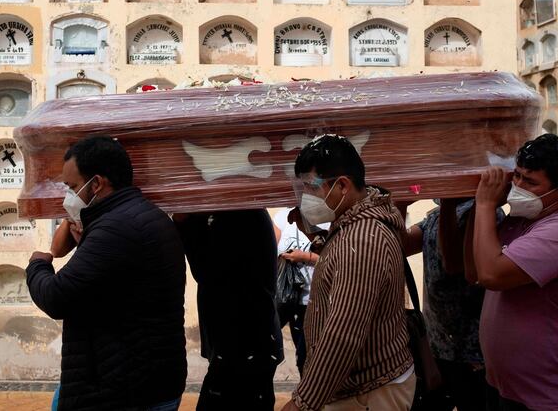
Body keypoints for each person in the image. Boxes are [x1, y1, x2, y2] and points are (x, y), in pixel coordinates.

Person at [26, 136, 187, 411]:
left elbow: (55, 297)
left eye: (73, 187)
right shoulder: (145, 216)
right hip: (146, 379)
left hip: (123, 390)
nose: (69, 196)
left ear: (97, 183)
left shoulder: (116, 229)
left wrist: (38, 264)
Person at [470, 134, 558, 411]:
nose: (518, 187)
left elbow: (491, 275)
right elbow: (471, 268)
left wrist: (485, 205)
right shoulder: (522, 219)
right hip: (510, 391)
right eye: (518, 176)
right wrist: (473, 207)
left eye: (531, 182)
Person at [282, 134, 414, 411]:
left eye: (310, 188)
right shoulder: (354, 224)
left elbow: (342, 337)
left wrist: (302, 403)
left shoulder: (362, 240)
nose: (305, 197)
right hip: (360, 388)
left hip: (368, 392)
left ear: (342, 186)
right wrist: (319, 239)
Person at [398, 198, 502, 411]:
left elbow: (453, 262)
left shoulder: (483, 213)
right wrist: (401, 203)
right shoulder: (436, 215)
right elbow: (402, 245)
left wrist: (447, 204)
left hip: (472, 348)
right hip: (441, 342)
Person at [173, 209, 283, 411]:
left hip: (244, 344)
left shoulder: (238, 216)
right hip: (246, 341)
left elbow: (207, 271)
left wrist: (185, 224)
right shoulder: (249, 212)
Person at [272, 208, 327, 375]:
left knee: (309, 358)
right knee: (294, 355)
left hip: (313, 300)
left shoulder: (328, 217)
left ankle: (312, 395)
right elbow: (269, 251)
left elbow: (335, 259)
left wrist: (305, 257)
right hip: (286, 297)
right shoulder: (282, 216)